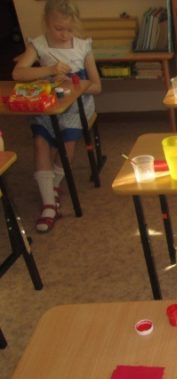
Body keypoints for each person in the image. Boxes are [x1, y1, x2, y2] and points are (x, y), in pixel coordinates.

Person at [12, 0, 101, 233]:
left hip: (77, 107)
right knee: (40, 143)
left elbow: (97, 86)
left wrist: (75, 85)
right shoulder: (38, 45)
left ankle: (52, 184)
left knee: (66, 145)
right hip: (47, 105)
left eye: (69, 29)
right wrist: (49, 71)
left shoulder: (83, 47)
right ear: (47, 24)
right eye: (58, 29)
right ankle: (49, 203)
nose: (64, 34)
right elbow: (18, 73)